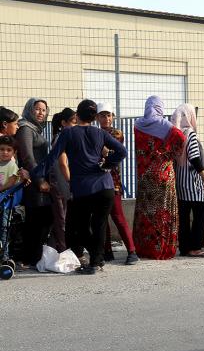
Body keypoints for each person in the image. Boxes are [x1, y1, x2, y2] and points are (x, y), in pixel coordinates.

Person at [36, 99, 127, 274]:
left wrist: (36, 174)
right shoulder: (100, 134)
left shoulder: (68, 133)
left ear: (77, 115)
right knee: (99, 225)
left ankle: (95, 259)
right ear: (94, 117)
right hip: (105, 187)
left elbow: (52, 157)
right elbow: (122, 152)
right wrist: (107, 164)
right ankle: (96, 261)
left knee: (79, 227)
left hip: (83, 189)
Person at [132, 96, 186, 260]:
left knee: (146, 212)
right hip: (163, 175)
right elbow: (181, 139)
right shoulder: (166, 126)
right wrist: (169, 152)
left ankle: (144, 248)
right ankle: (161, 248)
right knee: (163, 212)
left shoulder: (137, 125)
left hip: (144, 176)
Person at [95, 102, 139, 265]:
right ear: (97, 118)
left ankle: (132, 251)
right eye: (102, 115)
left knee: (118, 217)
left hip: (113, 182)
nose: (106, 118)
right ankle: (106, 251)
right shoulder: (95, 133)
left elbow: (108, 151)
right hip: (97, 182)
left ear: (113, 117)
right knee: (101, 219)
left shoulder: (116, 133)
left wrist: (100, 151)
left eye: (108, 115)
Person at [169, 103, 204, 257]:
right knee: (201, 215)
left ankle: (185, 247)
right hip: (193, 183)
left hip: (180, 181)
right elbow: (194, 157)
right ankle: (195, 247)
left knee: (184, 217)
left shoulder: (176, 134)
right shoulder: (190, 133)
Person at [15, 98, 52, 268]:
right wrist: (40, 180)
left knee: (41, 218)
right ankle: (28, 258)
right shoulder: (25, 129)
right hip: (34, 181)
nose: (41, 113)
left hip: (39, 179)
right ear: (30, 110)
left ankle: (32, 256)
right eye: (37, 109)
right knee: (36, 219)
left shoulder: (35, 129)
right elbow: (28, 157)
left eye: (44, 110)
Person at [48, 108, 75, 253]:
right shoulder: (61, 138)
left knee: (60, 219)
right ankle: (64, 251)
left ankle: (54, 249)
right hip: (61, 184)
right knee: (62, 219)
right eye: (73, 121)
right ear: (63, 123)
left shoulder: (60, 137)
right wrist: (71, 182)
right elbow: (63, 163)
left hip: (60, 183)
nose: (76, 125)